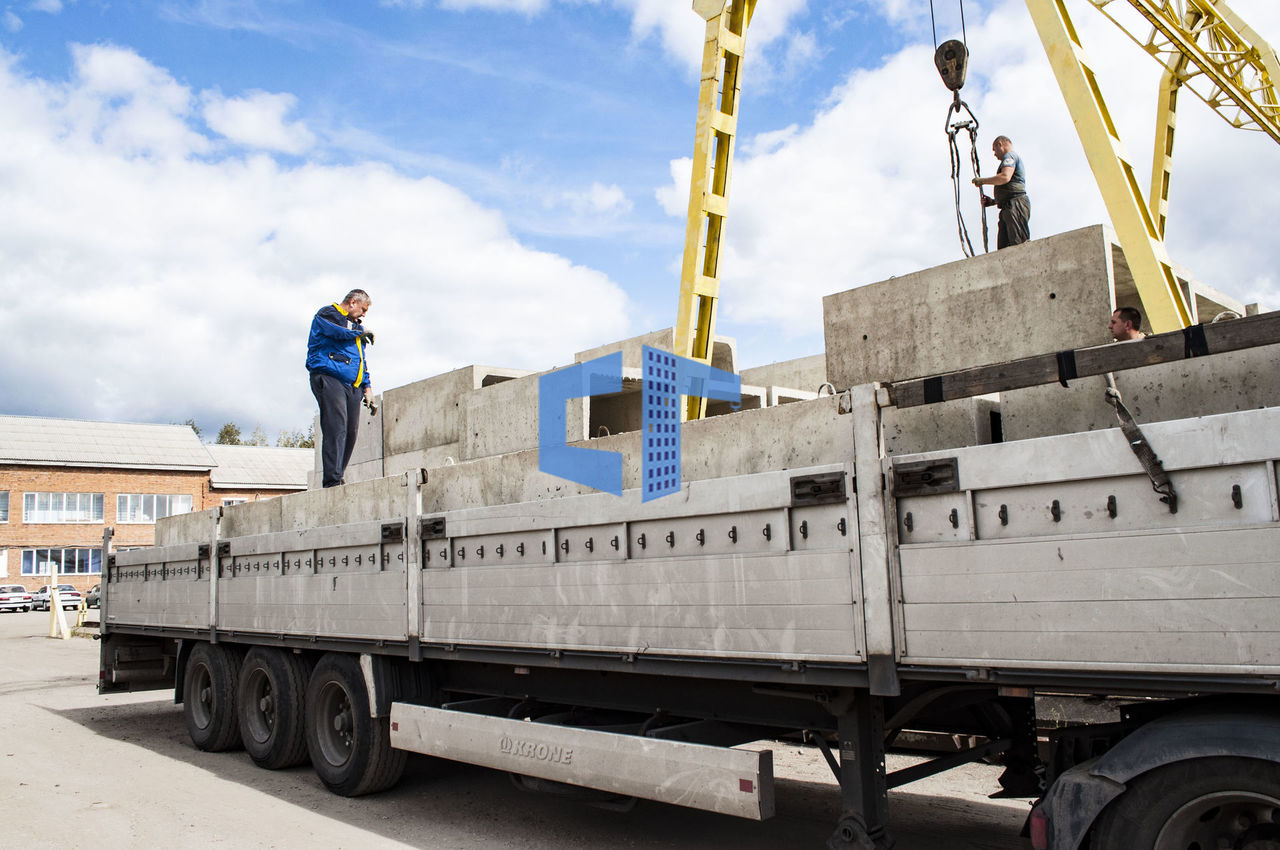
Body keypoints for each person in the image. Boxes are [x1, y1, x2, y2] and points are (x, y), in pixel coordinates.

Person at [306, 289, 375, 488]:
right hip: (329, 376)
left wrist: (367, 386)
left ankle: (339, 474)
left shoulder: (355, 329)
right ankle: (332, 480)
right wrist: (359, 332)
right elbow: (336, 331)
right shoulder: (328, 314)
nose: (363, 314)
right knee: (336, 426)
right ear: (352, 302)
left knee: (351, 431)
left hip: (352, 385)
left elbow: (361, 360)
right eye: (363, 309)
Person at [973, 135, 1030, 249]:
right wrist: (993, 201)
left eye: (994, 150)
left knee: (1018, 244)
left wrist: (982, 181)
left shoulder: (1010, 157)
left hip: (1015, 204)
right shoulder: (1010, 158)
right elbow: (1009, 187)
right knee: (1004, 248)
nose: (995, 154)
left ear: (1000, 144)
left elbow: (1005, 177)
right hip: (1008, 206)